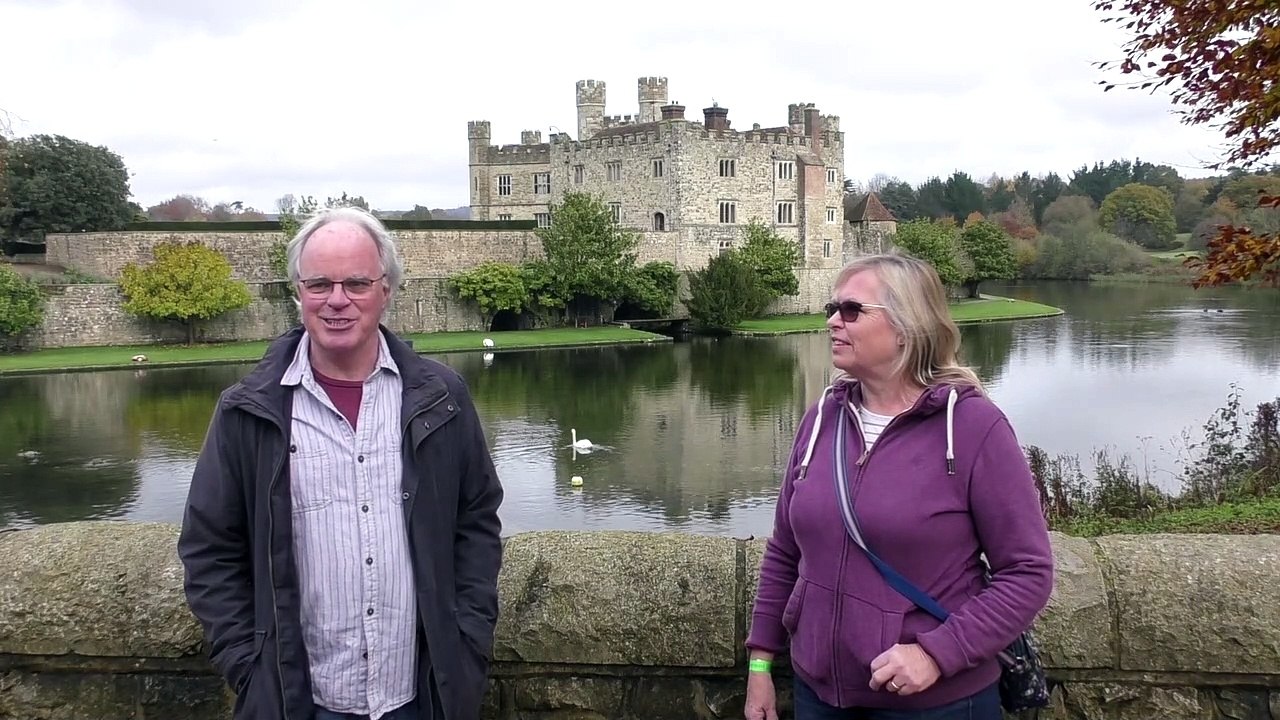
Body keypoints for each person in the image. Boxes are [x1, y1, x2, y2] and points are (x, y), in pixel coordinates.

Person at [177, 207, 504, 720]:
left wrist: (466, 642)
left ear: (386, 291)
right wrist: (248, 663)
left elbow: (476, 521)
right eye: (319, 284)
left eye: (356, 283)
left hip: (422, 696)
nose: (336, 301)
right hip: (299, 702)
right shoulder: (248, 410)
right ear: (298, 292)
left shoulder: (442, 398)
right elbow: (210, 548)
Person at [743, 253, 1054, 720]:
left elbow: (1027, 572)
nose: (832, 321)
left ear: (907, 326)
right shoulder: (821, 419)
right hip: (819, 696)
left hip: (936, 703)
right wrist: (761, 661)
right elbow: (786, 553)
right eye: (832, 307)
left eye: (852, 310)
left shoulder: (972, 427)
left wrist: (937, 654)